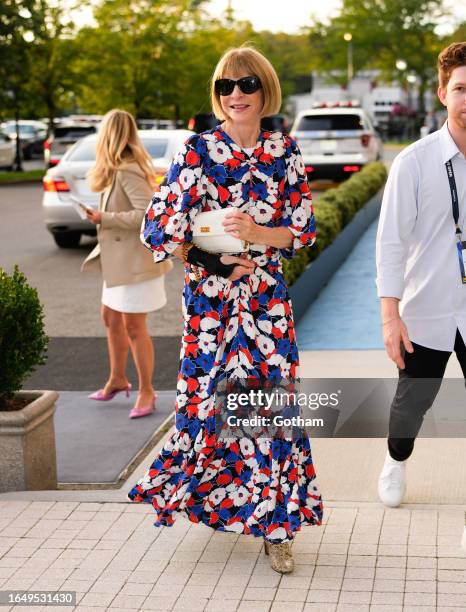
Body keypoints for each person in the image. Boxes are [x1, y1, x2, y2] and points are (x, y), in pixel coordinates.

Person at [127, 46, 323, 573]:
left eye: (247, 85)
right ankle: (216, 502)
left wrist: (258, 234)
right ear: (217, 96)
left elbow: (301, 230)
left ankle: (277, 526)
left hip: (266, 307)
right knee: (208, 409)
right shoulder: (197, 151)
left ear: (265, 91)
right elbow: (158, 229)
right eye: (225, 86)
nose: (236, 94)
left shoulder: (285, 152)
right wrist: (213, 264)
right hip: (211, 309)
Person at [376, 42, 466, 507]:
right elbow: (390, 243)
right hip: (427, 306)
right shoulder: (412, 162)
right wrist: (391, 317)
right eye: (461, 89)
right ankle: (395, 459)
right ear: (442, 93)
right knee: (411, 406)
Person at [82, 109, 172, 419]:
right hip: (120, 264)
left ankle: (147, 390)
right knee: (109, 317)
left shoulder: (128, 170)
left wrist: (103, 218)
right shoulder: (116, 169)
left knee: (135, 326)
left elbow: (147, 214)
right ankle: (118, 379)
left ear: (109, 134)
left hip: (136, 265)